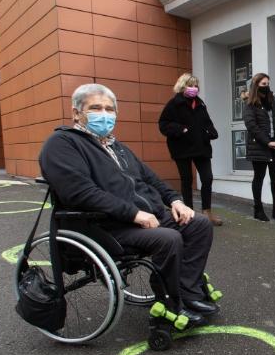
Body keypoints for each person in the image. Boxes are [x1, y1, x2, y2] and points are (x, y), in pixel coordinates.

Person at [39, 84, 219, 325]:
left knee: (199, 225)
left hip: (145, 217)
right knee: (168, 238)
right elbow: (81, 193)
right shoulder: (62, 144)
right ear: (76, 113)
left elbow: (151, 178)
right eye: (95, 108)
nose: (104, 114)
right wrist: (134, 214)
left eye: (109, 109)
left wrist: (176, 201)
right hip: (106, 225)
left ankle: (188, 291)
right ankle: (170, 303)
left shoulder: (117, 147)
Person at [158, 73, 222, 226]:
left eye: (195, 86)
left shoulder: (200, 104)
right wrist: (181, 129)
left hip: (201, 147)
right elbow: (163, 124)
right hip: (182, 148)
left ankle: (207, 212)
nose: (194, 88)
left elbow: (207, 122)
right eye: (190, 85)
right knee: (186, 180)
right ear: (182, 86)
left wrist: (211, 132)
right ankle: (190, 212)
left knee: (207, 178)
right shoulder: (174, 104)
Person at [242, 72, 275, 222]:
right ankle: (258, 210)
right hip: (260, 147)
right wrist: (267, 142)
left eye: (267, 84)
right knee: (259, 178)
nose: (266, 87)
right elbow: (252, 126)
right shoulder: (250, 103)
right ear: (256, 85)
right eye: (263, 84)